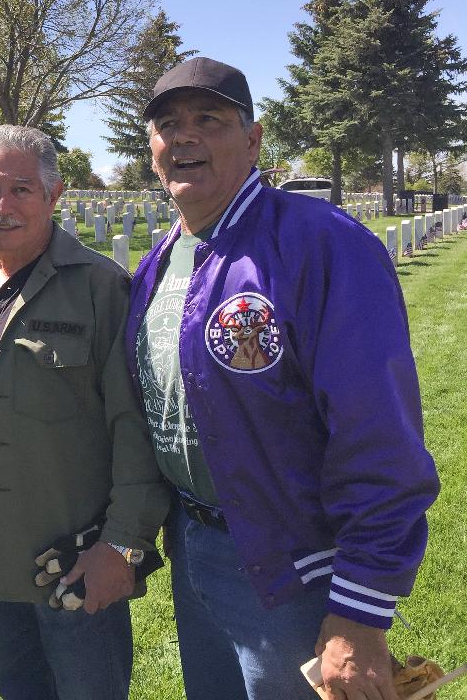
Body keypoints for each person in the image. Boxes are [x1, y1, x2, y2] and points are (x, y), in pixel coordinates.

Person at [126, 56, 440, 700]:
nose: (183, 137)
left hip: (295, 568)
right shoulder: (160, 260)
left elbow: (377, 433)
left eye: (207, 120)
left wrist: (359, 610)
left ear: (254, 138)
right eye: (166, 124)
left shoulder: (324, 245)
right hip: (194, 548)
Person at [0, 124, 169, 700]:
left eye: (22, 189)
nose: (3, 205)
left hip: (70, 549)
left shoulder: (98, 286)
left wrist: (121, 545)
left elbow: (136, 426)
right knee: (16, 685)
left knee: (87, 687)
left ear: (54, 193)